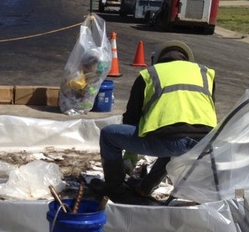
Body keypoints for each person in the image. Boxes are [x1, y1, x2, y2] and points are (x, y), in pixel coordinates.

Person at [93, 40, 216, 203]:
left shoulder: (150, 74)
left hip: (172, 141)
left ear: (158, 59)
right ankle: (145, 188)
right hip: (206, 144)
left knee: (109, 136)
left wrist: (131, 153)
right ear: (186, 59)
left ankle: (114, 188)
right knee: (172, 138)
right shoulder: (205, 73)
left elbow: (131, 118)